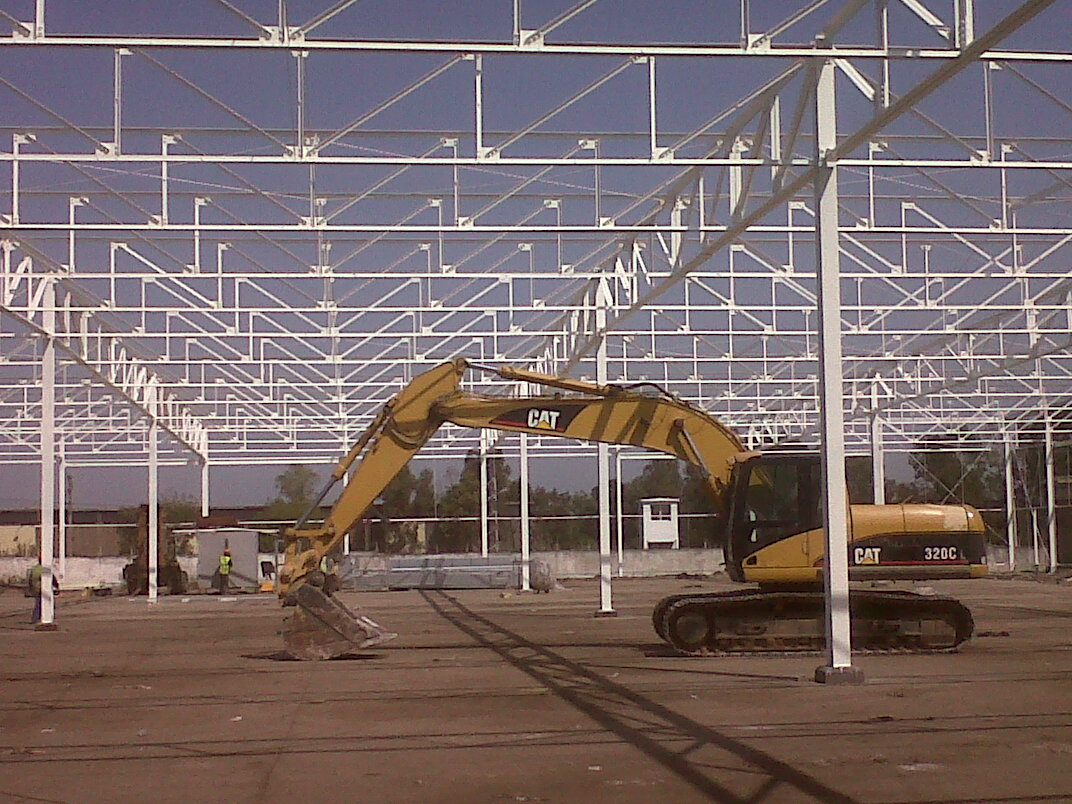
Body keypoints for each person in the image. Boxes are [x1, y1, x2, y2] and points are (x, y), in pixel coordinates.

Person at [29, 556, 59, 624]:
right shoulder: (45, 569)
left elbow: (30, 579)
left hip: (36, 588)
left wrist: (31, 588)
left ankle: (35, 618)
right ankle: (48, 617)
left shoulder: (35, 568)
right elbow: (52, 578)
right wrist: (56, 586)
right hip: (43, 589)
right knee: (47, 603)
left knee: (38, 604)